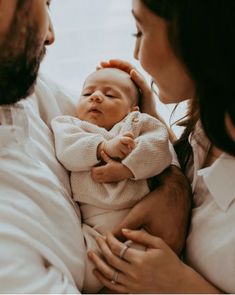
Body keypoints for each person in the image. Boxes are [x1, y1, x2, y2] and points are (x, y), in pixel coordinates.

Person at [0, 0, 192, 293]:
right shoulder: (11, 256)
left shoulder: (19, 83)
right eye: (43, 3)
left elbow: (150, 141)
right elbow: (75, 141)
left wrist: (173, 188)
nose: (51, 34)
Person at [88, 0, 235, 293]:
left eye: (140, 32)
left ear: (198, 37)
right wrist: (150, 123)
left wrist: (181, 285)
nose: (135, 54)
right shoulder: (211, 119)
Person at [51, 67, 172, 293]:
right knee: (86, 273)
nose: (96, 97)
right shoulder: (70, 125)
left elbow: (160, 150)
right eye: (88, 94)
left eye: (110, 95)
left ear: (131, 109)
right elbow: (67, 152)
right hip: (93, 225)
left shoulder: (138, 123)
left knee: (140, 263)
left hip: (139, 219)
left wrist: (127, 168)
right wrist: (102, 147)